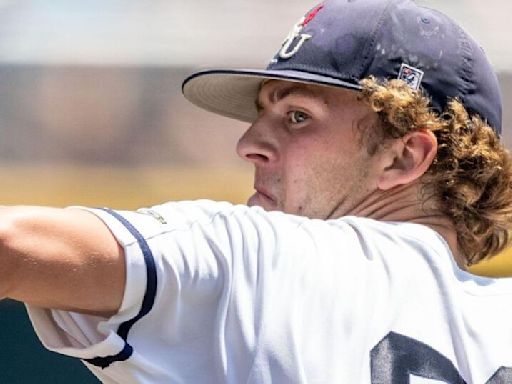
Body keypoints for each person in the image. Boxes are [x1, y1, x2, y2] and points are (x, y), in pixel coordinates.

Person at [1, 0, 512, 382]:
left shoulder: (260, 256)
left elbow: (9, 247)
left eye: (297, 116)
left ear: (404, 156)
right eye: (261, 114)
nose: (249, 144)